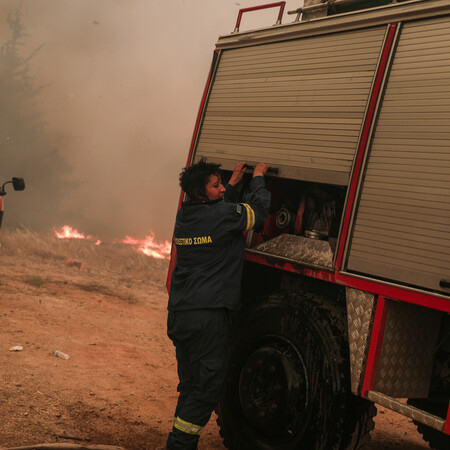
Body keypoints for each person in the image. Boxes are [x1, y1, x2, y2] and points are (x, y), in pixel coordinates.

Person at [165, 158, 271, 450]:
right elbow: (258, 213)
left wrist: (233, 185)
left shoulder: (185, 216)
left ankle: (179, 443)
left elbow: (219, 216)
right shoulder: (222, 216)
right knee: (205, 389)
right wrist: (258, 178)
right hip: (206, 319)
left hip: (181, 315)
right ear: (202, 194)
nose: (222, 188)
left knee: (190, 386)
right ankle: (179, 446)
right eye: (216, 185)